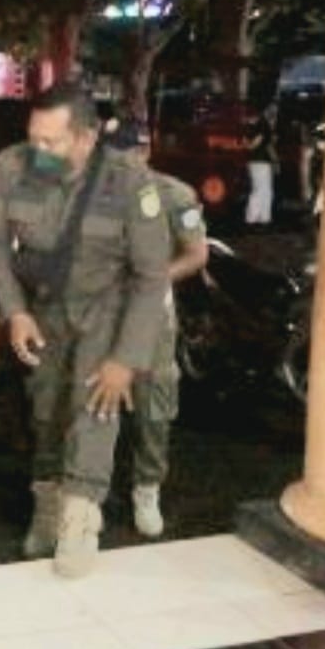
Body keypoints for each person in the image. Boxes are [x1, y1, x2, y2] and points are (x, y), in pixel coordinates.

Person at [0, 83, 170, 578]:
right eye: (33, 138)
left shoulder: (130, 182)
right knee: (45, 413)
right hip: (43, 309)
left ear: (86, 137)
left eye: (51, 141)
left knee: (95, 408)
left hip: (106, 308)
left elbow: (151, 278)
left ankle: (80, 522)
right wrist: (15, 311)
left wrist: (125, 359)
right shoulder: (11, 167)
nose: (38, 150)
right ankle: (47, 505)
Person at [106, 123, 209, 538]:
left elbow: (196, 254)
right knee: (93, 403)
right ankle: (88, 489)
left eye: (125, 155)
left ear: (144, 152)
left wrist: (151, 280)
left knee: (154, 407)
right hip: (100, 316)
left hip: (151, 320)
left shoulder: (175, 195)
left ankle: (146, 489)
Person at [245, 104, 278, 226]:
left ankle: (260, 217)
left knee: (261, 189)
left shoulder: (251, 126)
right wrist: (275, 160)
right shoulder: (263, 126)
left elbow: (248, 142)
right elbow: (258, 143)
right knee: (262, 190)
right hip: (261, 161)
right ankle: (256, 217)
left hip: (255, 161)